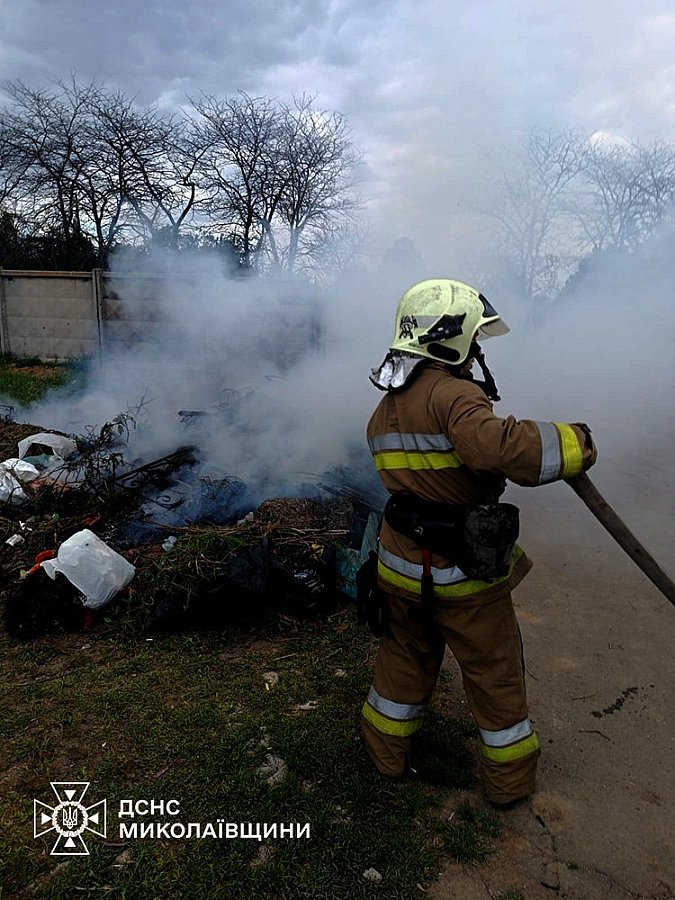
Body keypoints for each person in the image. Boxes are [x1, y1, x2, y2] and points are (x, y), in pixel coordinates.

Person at [360, 278, 596, 806]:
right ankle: (508, 783)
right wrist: (574, 443)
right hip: (462, 575)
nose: (478, 350)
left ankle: (384, 752)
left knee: (403, 660)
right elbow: (498, 448)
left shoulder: (384, 410)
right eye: (474, 338)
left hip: (399, 567)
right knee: (494, 673)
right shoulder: (454, 394)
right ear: (450, 339)